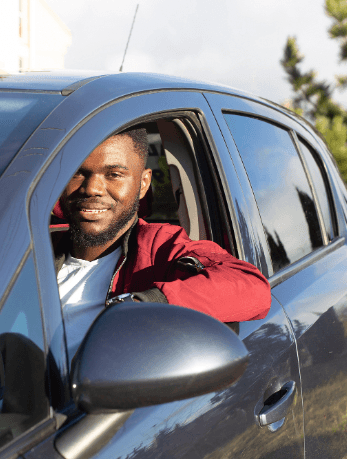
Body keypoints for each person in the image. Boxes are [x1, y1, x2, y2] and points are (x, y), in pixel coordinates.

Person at [52, 126, 271, 358]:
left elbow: (251, 287)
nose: (91, 189)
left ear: (144, 184)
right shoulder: (30, 249)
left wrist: (149, 304)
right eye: (77, 173)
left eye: (114, 174)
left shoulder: (159, 247)